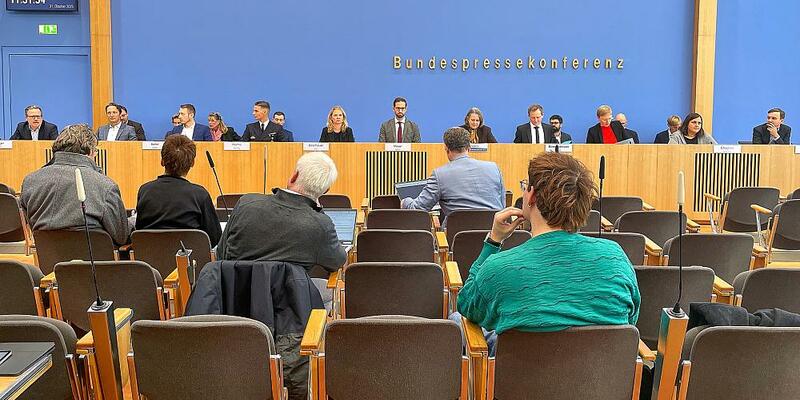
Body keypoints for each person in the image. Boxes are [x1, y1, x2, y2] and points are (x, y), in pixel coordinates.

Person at [456, 152, 640, 355]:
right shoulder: (616, 258)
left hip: (523, 371)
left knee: (457, 319)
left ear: (532, 195)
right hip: (602, 372)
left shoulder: (498, 269)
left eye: (525, 186)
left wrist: (493, 241)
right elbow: (630, 319)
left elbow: (466, 304)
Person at [217, 151, 346, 267]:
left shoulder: (246, 203)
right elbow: (338, 261)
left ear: (294, 177)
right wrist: (318, 208)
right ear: (325, 191)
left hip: (234, 286)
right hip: (289, 287)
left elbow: (221, 253)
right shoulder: (321, 226)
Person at [20, 124, 129, 245]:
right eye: (96, 152)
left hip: (47, 255)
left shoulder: (30, 181)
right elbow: (121, 236)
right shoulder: (105, 185)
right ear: (90, 151)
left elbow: (31, 225)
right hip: (93, 255)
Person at [401, 127, 505, 225]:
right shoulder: (494, 168)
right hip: (494, 235)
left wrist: (405, 201)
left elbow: (417, 210)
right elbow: (502, 207)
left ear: (446, 148)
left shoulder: (439, 175)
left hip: (457, 236)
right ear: (469, 147)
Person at [134, 135, 222, 244]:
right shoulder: (200, 195)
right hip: (190, 254)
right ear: (192, 163)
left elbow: (140, 230)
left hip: (149, 254)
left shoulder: (145, 191)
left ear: (162, 161)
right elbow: (214, 238)